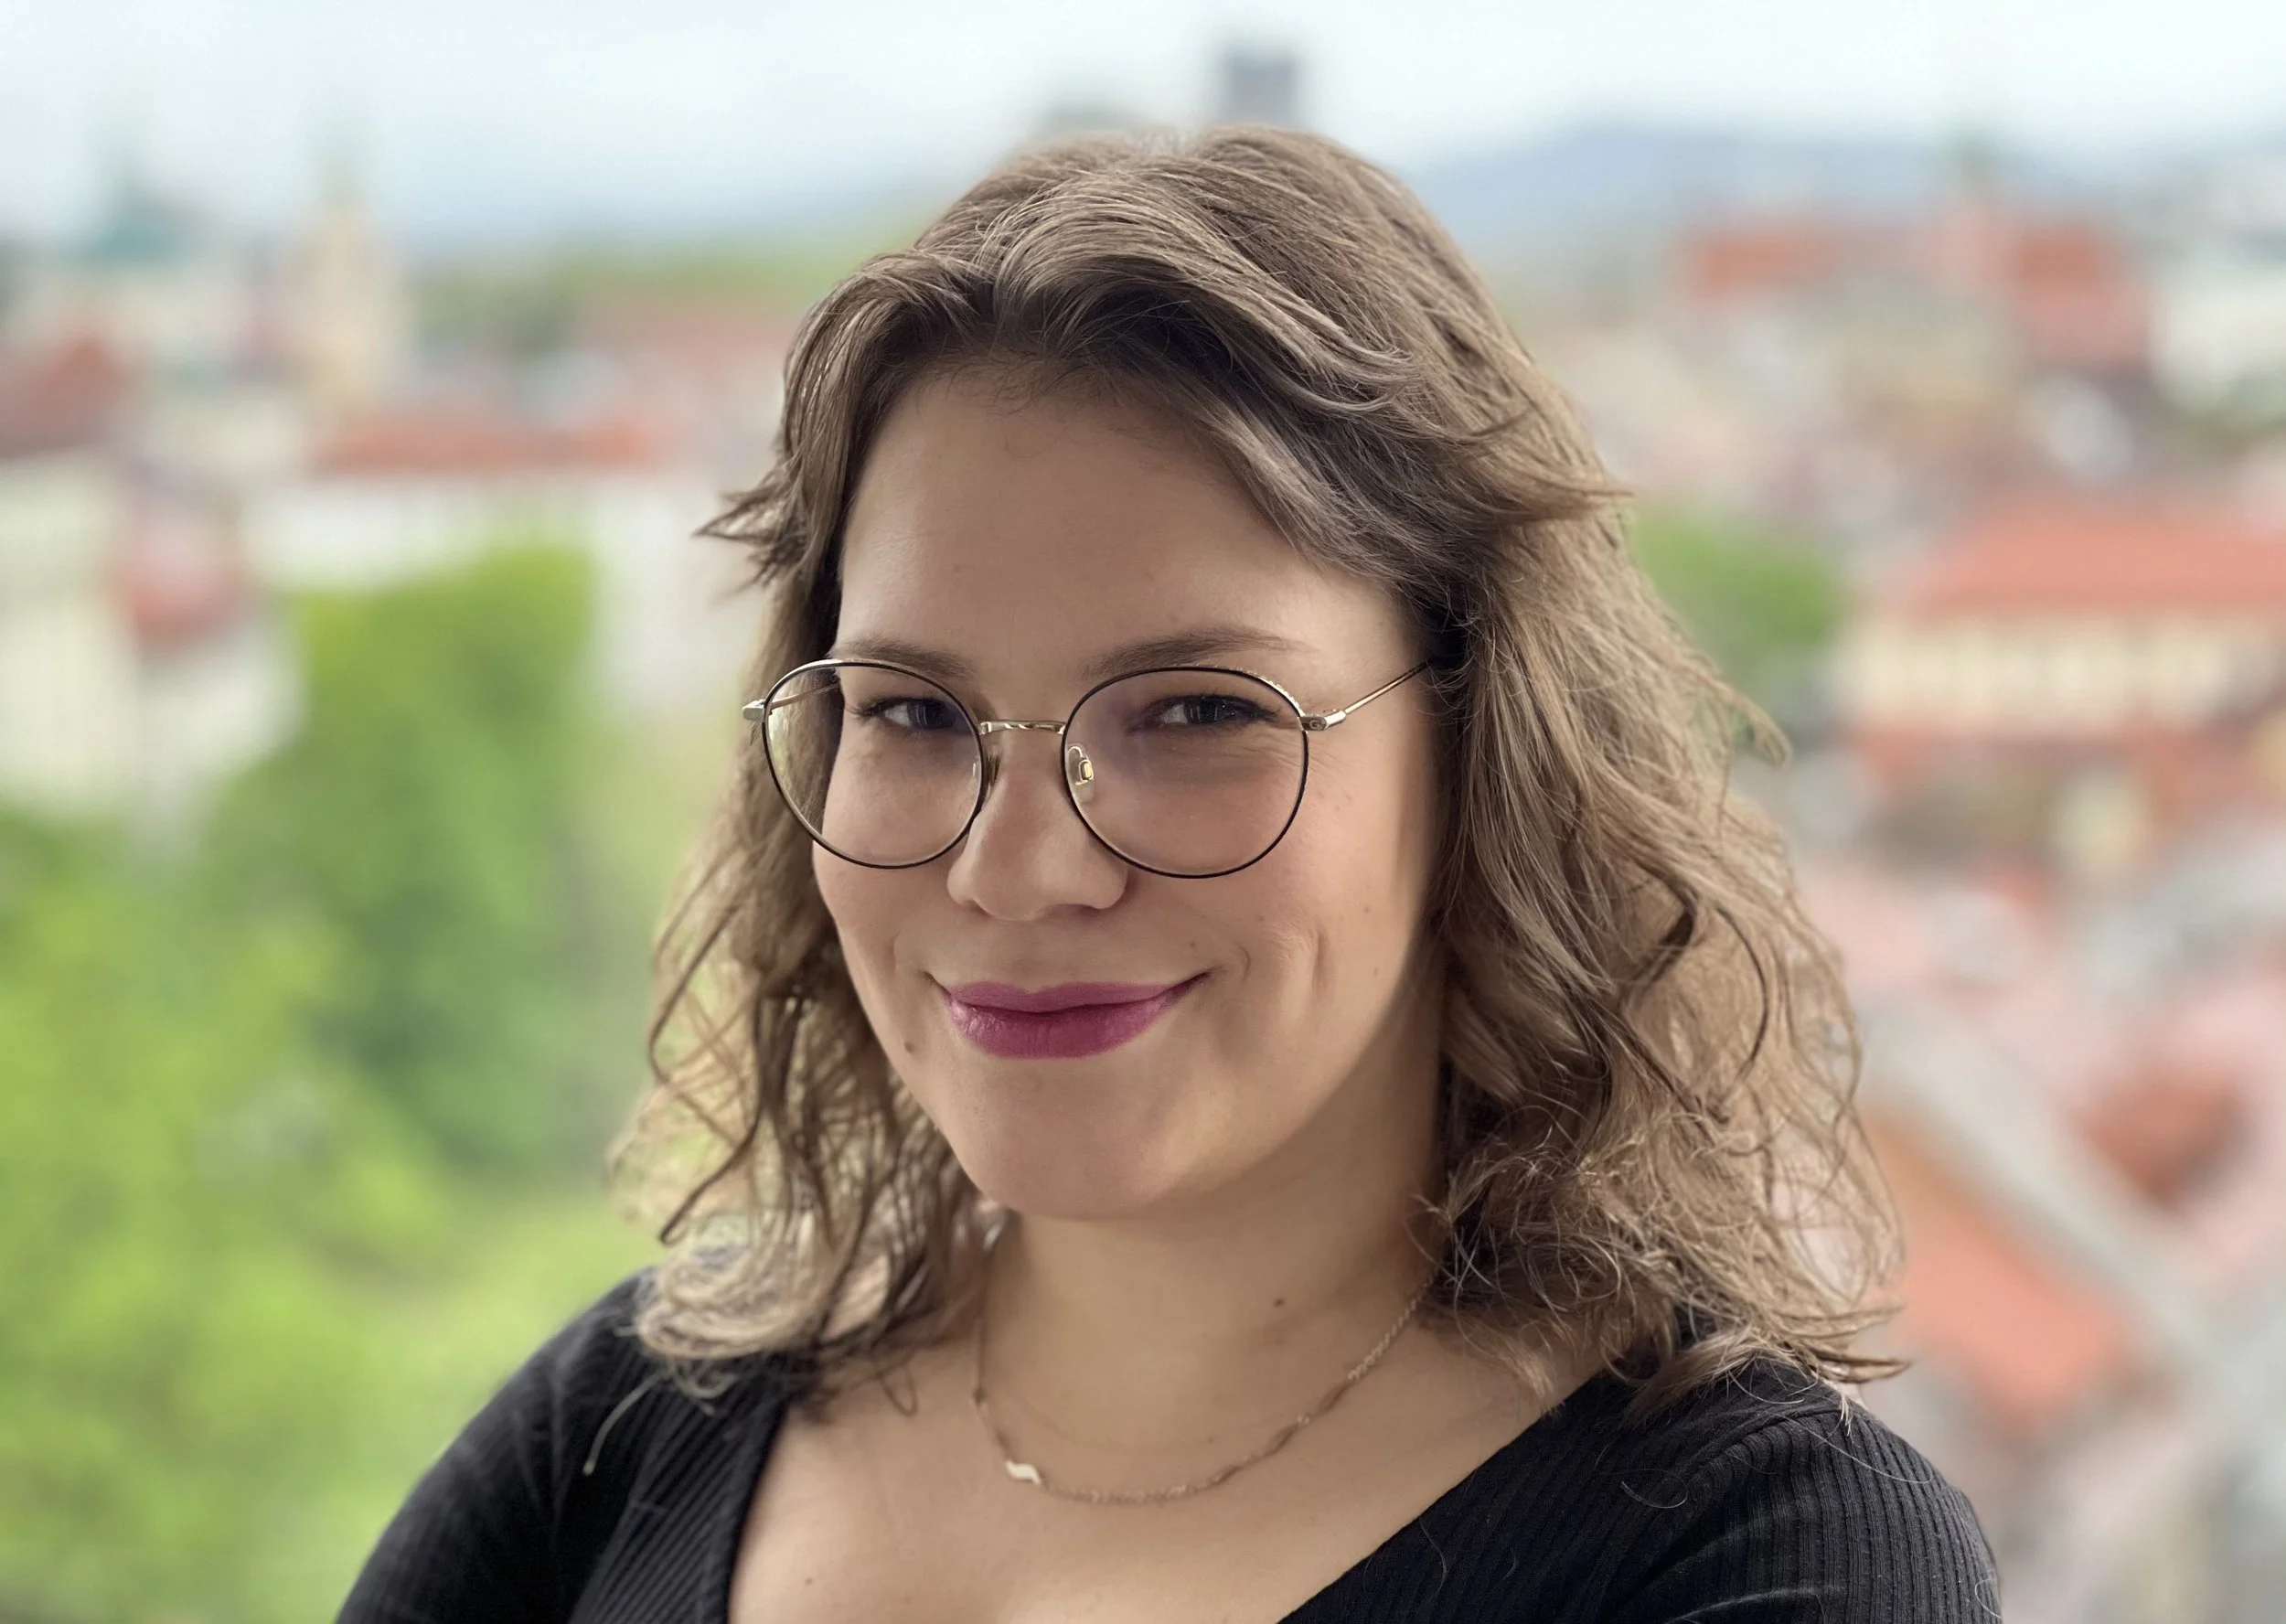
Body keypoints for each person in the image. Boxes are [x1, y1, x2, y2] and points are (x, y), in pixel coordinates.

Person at [341, 125, 1998, 1622]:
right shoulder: (629, 1426)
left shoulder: (1769, 1566)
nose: (1016, 869)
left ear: (1484, 743)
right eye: (915, 708)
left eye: (1198, 712)